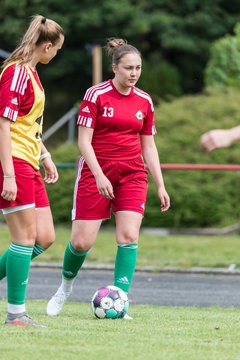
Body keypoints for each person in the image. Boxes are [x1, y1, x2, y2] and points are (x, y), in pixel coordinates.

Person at [47, 37, 170, 320]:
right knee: (81, 242)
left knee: (128, 236)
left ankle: (120, 299)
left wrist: (161, 185)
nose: (134, 73)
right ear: (114, 67)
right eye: (128, 68)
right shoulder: (96, 95)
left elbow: (148, 145)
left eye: (138, 68)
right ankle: (65, 287)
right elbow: (84, 142)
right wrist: (100, 175)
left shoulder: (145, 101)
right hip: (96, 170)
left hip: (132, 173)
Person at [0, 15, 64, 326]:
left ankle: (16, 309)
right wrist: (8, 175)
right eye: (56, 50)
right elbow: (3, 125)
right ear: (47, 46)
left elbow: (29, 126)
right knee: (23, 239)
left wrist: (46, 154)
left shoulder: (33, 75)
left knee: (45, 237)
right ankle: (16, 315)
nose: (55, 56)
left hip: (30, 161)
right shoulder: (16, 74)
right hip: (13, 163)